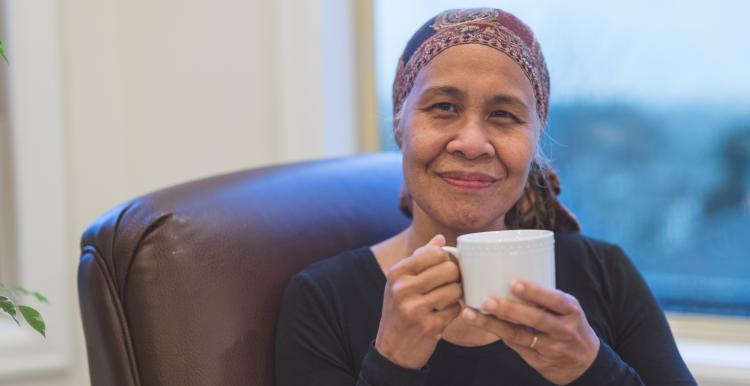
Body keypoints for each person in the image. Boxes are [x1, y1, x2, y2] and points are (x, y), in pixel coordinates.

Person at [275, 8, 697, 386]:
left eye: (503, 115)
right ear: (401, 126)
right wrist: (391, 363)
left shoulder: (605, 274)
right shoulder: (322, 299)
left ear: (534, 141)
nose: (472, 143)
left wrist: (592, 369)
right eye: (443, 107)